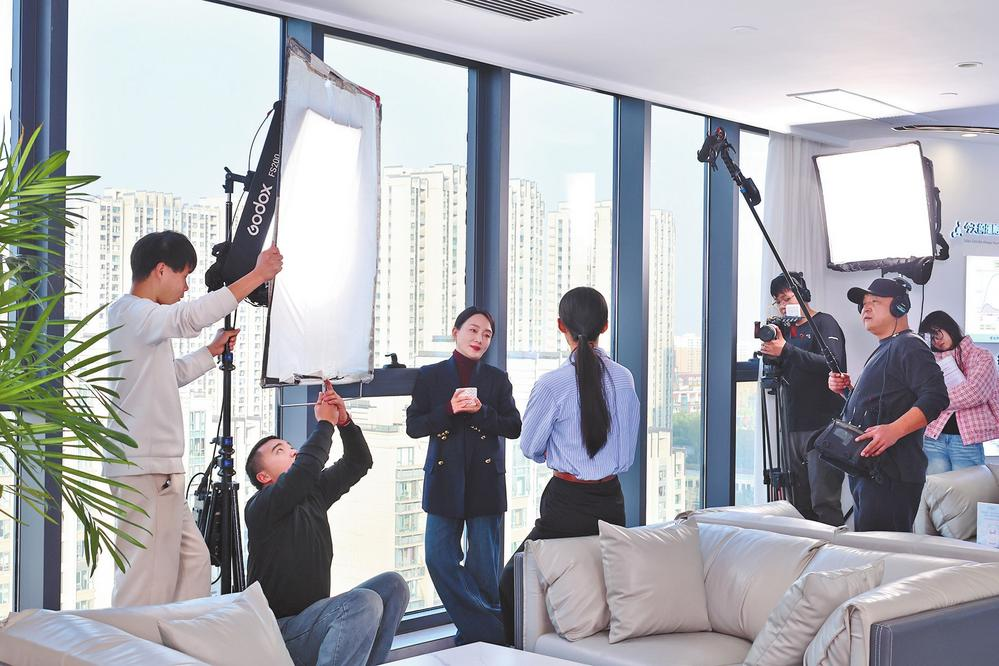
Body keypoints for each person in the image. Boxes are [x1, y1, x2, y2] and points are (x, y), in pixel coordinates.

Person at [106, 230, 283, 607]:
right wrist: (257, 275)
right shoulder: (136, 313)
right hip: (148, 468)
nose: (186, 287)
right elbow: (189, 318)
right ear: (161, 270)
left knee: (194, 561)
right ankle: (136, 642)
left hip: (156, 468)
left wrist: (210, 352)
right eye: (184, 276)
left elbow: (168, 374)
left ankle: (178, 637)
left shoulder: (135, 319)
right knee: (144, 581)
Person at [499, 287, 640, 645]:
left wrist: (556, 454)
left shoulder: (552, 385)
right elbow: (626, 455)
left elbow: (529, 447)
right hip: (611, 500)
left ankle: (521, 654)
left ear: (561, 326)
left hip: (566, 502)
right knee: (602, 586)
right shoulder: (624, 378)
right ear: (604, 326)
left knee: (514, 581)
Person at [245, 381, 408, 666]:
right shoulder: (260, 507)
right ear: (263, 477)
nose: (293, 451)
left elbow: (358, 462)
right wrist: (325, 424)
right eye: (280, 450)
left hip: (315, 622)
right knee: (363, 603)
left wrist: (344, 422)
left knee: (394, 586)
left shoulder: (313, 494)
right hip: (278, 633)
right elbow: (305, 470)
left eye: (292, 447)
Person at [405, 306, 522, 646]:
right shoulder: (430, 376)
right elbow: (414, 426)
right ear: (455, 332)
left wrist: (482, 411)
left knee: (484, 570)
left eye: (487, 334)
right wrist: (449, 409)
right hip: (444, 480)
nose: (479, 339)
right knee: (438, 557)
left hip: (486, 481)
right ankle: (494, 635)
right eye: (473, 330)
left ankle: (475, 644)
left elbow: (513, 427)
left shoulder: (497, 379)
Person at [828, 277, 948, 532]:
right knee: (869, 549)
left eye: (875, 301)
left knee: (881, 552)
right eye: (863, 304)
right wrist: (846, 392)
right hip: (870, 472)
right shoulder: (887, 347)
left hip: (891, 475)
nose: (866, 308)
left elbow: (936, 396)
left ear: (899, 307)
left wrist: (894, 430)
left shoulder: (910, 346)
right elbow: (883, 405)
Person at [760, 272, 847, 525]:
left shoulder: (824, 323)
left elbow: (832, 363)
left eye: (787, 298)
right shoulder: (784, 332)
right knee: (797, 503)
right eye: (778, 301)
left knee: (824, 502)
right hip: (791, 425)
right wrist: (774, 354)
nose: (783, 305)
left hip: (823, 426)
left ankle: (835, 548)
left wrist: (786, 350)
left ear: (803, 295)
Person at [918, 310, 999, 474]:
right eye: (932, 338)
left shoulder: (982, 356)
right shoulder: (930, 361)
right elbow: (920, 392)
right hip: (933, 437)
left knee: (968, 488)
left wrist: (934, 400)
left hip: (967, 440)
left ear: (948, 326)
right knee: (935, 488)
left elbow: (975, 392)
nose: (937, 341)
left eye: (937, 333)